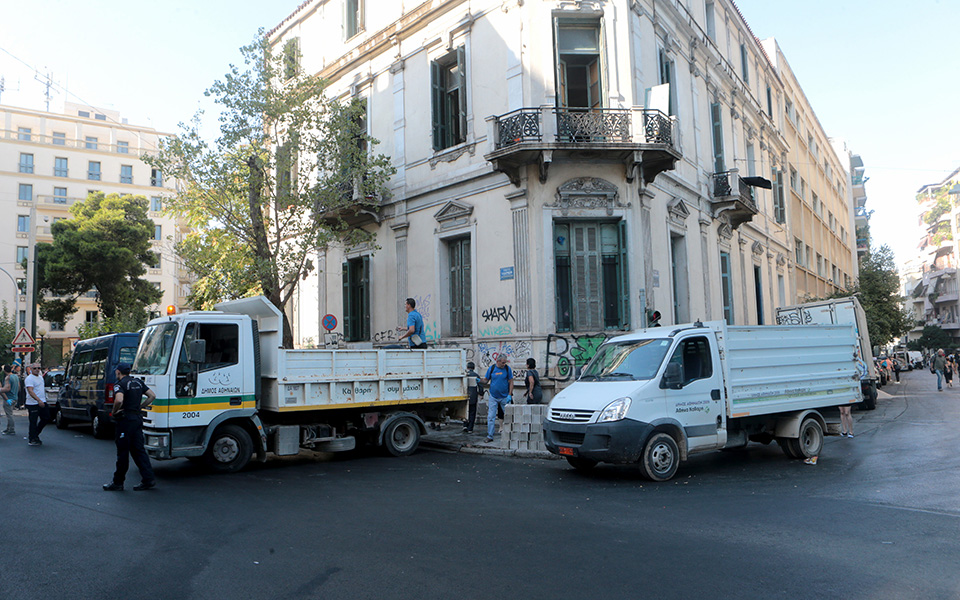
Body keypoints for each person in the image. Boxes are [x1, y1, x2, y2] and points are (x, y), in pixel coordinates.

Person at [103, 363, 157, 492]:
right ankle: (148, 479)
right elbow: (152, 396)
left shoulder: (120, 385)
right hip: (137, 418)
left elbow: (119, 400)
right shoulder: (137, 382)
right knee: (139, 450)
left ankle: (118, 482)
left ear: (118, 372)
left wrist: (115, 411)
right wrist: (141, 406)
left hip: (125, 420)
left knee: (123, 452)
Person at [481, 355, 513, 443]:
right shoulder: (491, 369)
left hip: (504, 397)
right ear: (497, 361)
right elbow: (486, 380)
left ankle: (510, 434)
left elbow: (511, 382)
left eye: (505, 362)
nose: (504, 364)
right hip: (493, 397)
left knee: (509, 416)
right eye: (503, 362)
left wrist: (509, 394)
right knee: (491, 417)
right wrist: (479, 380)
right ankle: (490, 436)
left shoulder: (507, 369)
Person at [24, 363, 49, 446]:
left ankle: (35, 434)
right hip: (33, 403)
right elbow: (30, 391)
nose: (37, 369)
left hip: (42, 401)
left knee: (46, 418)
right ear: (31, 369)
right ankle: (32, 438)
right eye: (35, 368)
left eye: (39, 368)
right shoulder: (29, 379)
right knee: (33, 421)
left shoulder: (40, 377)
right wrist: (38, 400)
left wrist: (43, 400)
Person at [462, 361, 484, 433]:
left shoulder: (465, 375)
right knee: (472, 412)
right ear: (474, 368)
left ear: (467, 367)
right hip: (473, 396)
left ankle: (465, 425)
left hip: (464, 395)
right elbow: (480, 385)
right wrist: (481, 394)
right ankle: (470, 428)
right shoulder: (476, 375)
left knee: (465, 411)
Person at [1, 365, 18, 435]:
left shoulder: (8, 378)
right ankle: (8, 428)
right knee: (10, 413)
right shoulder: (16, 376)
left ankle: (11, 429)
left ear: (4, 371)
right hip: (15, 397)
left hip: (9, 398)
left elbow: (7, 388)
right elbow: (19, 386)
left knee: (9, 415)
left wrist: (0, 390)